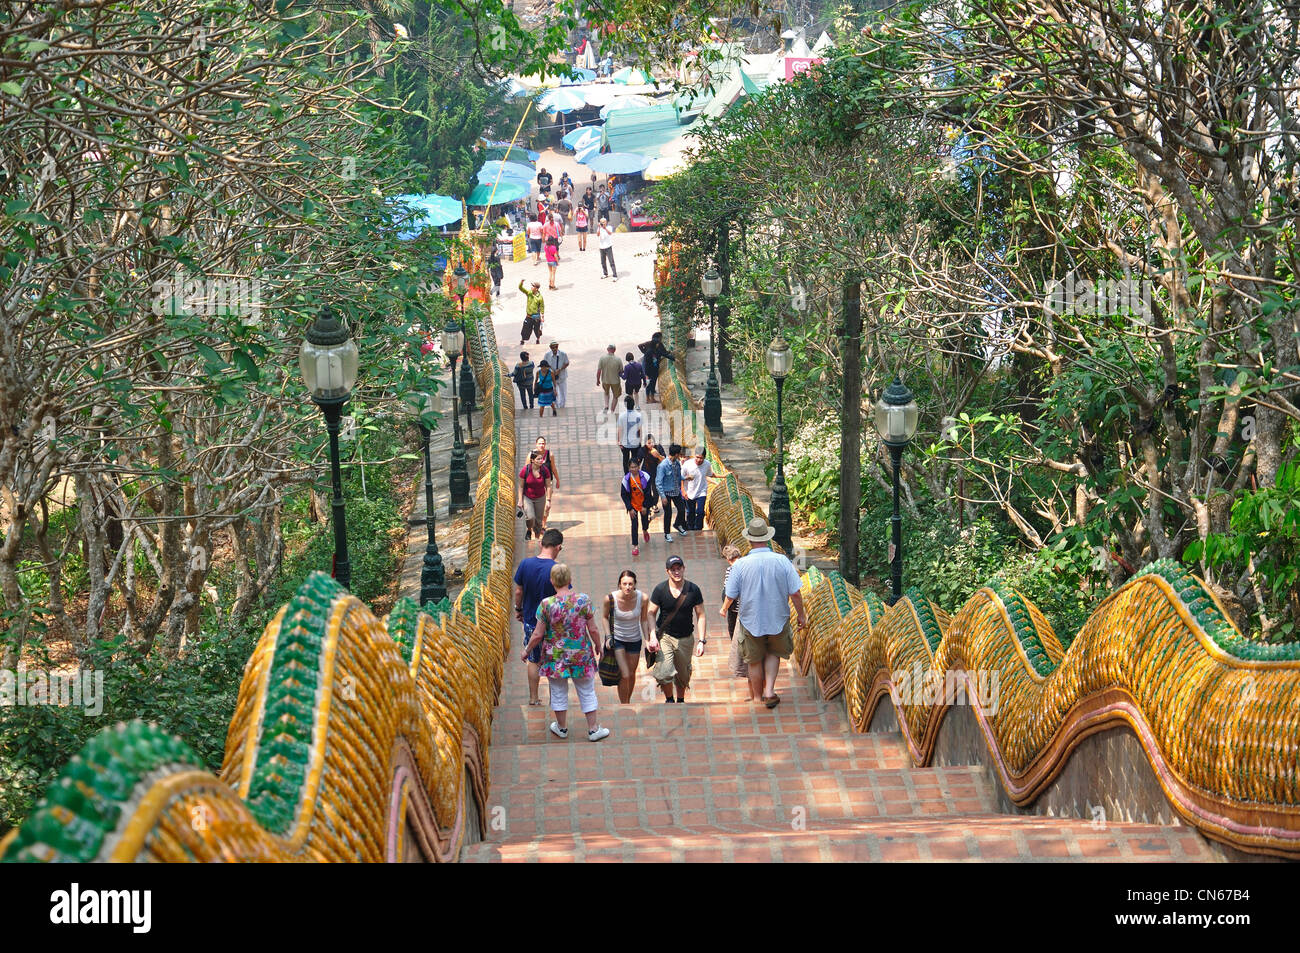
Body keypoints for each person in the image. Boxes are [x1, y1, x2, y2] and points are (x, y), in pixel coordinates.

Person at [722, 517, 808, 709]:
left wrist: (724, 609)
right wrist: (801, 615)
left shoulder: (740, 565)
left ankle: (757, 698)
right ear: (767, 538)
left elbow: (731, 594)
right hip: (778, 617)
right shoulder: (782, 561)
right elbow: (795, 592)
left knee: (753, 660)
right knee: (772, 653)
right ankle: (770, 690)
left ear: (749, 540)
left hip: (750, 618)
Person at [525, 563, 610, 741]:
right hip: (580, 653)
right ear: (570, 580)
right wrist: (598, 645)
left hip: (555, 656)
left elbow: (538, 634)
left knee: (557, 690)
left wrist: (527, 650)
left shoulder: (546, 605)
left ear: (551, 581)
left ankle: (561, 728)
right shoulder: (583, 600)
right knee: (586, 690)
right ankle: (593, 729)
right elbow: (593, 629)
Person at [513, 528, 563, 707]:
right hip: (552, 624)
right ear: (559, 547)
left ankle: (533, 697)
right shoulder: (556, 570)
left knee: (533, 660)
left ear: (541, 544)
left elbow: (518, 591)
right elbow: (563, 596)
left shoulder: (525, 564)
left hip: (530, 621)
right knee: (552, 660)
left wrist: (518, 609)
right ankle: (555, 699)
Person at [647, 555, 706, 703]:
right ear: (667, 571)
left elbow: (701, 615)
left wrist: (701, 641)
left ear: (683, 568)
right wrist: (653, 635)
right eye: (673, 570)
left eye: (678, 568)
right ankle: (669, 699)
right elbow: (650, 613)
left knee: (683, 674)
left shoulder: (693, 589)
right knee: (664, 672)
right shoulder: (660, 589)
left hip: (686, 638)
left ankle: (680, 700)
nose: (676, 572)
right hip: (665, 636)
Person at [603, 569, 654, 704]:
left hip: (634, 640)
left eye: (630, 584)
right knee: (624, 674)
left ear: (635, 584)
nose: (627, 587)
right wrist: (608, 636)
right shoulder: (610, 598)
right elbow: (604, 617)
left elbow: (643, 620)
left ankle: (627, 700)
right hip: (618, 639)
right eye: (624, 584)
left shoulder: (643, 598)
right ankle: (624, 705)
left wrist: (647, 639)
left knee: (631, 674)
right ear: (619, 584)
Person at [719, 544, 751, 696]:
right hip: (748, 607)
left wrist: (724, 608)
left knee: (734, 632)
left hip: (735, 609)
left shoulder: (731, 570)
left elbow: (729, 591)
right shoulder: (747, 566)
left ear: (727, 559)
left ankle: (741, 657)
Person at [516, 449, 555, 541]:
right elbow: (521, 486)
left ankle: (537, 538)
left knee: (538, 520)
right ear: (532, 460)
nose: (541, 461)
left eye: (541, 459)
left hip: (540, 497)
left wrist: (548, 500)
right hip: (527, 497)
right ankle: (529, 530)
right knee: (530, 517)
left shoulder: (545, 470)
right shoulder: (525, 470)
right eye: (538, 459)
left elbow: (548, 486)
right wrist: (520, 500)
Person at [656, 444, 688, 541]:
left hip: (676, 491)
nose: (680, 456)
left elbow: (678, 476)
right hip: (666, 493)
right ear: (676, 454)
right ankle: (667, 533)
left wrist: (686, 478)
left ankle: (677, 524)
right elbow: (658, 482)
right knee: (668, 513)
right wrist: (663, 496)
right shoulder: (663, 466)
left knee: (682, 509)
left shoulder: (677, 463)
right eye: (679, 454)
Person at [621, 458, 652, 556]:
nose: (633, 469)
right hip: (633, 505)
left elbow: (648, 493)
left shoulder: (646, 477)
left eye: (635, 467)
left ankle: (645, 530)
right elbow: (624, 495)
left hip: (643, 504)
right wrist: (629, 508)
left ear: (639, 467)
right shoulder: (626, 479)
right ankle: (635, 545)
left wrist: (645, 506)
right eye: (631, 467)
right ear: (628, 468)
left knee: (645, 521)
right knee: (634, 525)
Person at [681, 446, 714, 532]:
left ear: (704, 458)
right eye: (697, 457)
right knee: (690, 512)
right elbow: (681, 477)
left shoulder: (707, 464)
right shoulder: (687, 464)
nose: (699, 460)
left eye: (701, 458)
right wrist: (683, 491)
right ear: (694, 456)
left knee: (700, 512)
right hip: (689, 491)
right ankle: (690, 527)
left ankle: (699, 528)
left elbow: (710, 474)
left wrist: (723, 476)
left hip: (701, 491)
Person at [639, 332, 673, 403]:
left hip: (655, 371)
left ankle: (652, 398)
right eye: (657, 344)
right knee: (649, 385)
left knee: (653, 384)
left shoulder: (657, 351)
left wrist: (674, 358)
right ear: (655, 344)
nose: (658, 344)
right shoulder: (648, 353)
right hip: (649, 371)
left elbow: (665, 354)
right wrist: (646, 374)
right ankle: (648, 398)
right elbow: (646, 364)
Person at [641, 432, 665, 517]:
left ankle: (654, 504)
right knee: (646, 490)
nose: (651, 445)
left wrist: (658, 455)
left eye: (652, 442)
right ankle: (648, 506)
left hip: (656, 472)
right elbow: (638, 460)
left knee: (656, 490)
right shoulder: (643, 449)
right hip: (646, 473)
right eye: (649, 443)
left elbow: (664, 460)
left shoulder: (658, 447)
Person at [616, 394, 642, 473]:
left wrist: (619, 441)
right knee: (635, 459)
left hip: (625, 443)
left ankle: (626, 475)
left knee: (625, 460)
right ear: (634, 404)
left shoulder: (621, 416)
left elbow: (620, 430)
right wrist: (640, 441)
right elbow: (640, 430)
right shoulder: (639, 415)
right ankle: (635, 473)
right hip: (635, 443)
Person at [541, 341, 570, 408]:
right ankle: (557, 406)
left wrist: (560, 369)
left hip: (562, 376)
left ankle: (562, 406)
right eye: (553, 347)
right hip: (552, 377)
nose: (555, 349)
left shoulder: (563, 354)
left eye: (556, 347)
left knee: (563, 393)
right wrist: (551, 371)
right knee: (554, 393)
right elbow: (545, 365)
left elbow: (567, 363)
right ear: (550, 348)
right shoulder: (547, 355)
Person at [597, 344, 623, 412]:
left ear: (607, 349)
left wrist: (598, 380)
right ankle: (612, 411)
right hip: (615, 381)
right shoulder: (618, 359)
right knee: (615, 396)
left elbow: (599, 371)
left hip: (605, 380)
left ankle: (606, 406)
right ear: (614, 350)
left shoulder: (602, 358)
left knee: (606, 392)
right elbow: (621, 371)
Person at [518, 279, 544, 344]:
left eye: (533, 286)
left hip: (536, 317)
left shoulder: (540, 297)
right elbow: (521, 288)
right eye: (531, 286)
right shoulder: (529, 293)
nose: (531, 287)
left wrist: (542, 315)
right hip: (529, 316)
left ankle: (538, 339)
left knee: (537, 330)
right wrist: (521, 283)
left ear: (536, 288)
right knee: (525, 328)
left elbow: (542, 306)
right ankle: (522, 339)